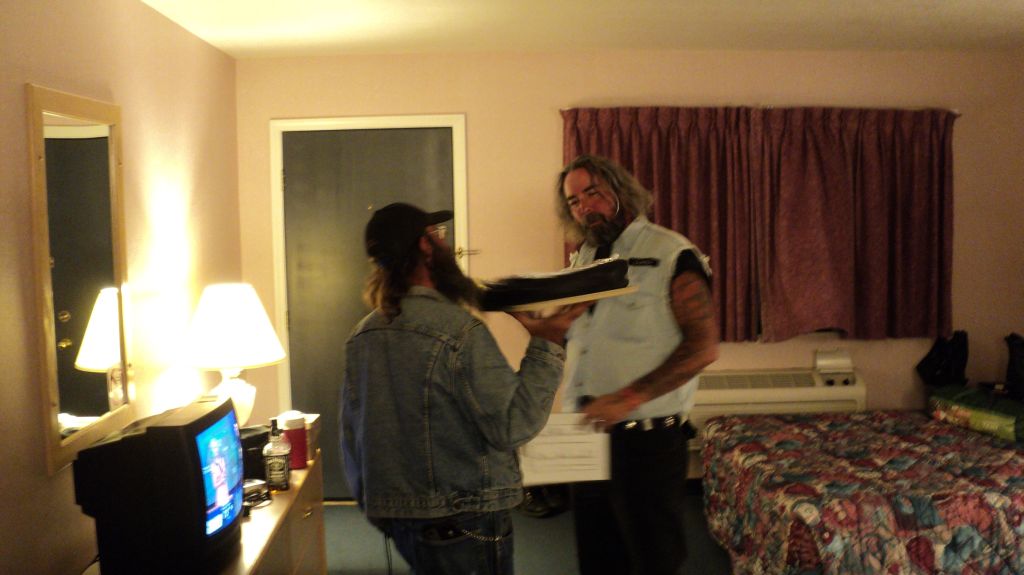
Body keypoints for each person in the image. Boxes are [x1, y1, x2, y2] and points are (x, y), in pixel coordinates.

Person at [341, 201, 588, 575]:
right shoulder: (458, 331)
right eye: (437, 235)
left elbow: (352, 437)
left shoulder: (362, 335)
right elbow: (514, 426)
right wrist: (548, 343)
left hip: (401, 521)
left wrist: (379, 506)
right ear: (425, 246)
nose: (446, 244)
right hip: (464, 521)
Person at [556, 155, 720, 575]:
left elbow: (703, 348)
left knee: (652, 560)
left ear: (621, 190)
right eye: (574, 201)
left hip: (647, 441)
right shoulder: (583, 258)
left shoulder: (670, 252)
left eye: (592, 193)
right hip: (588, 434)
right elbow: (581, 337)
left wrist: (628, 397)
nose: (584, 207)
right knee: (597, 560)